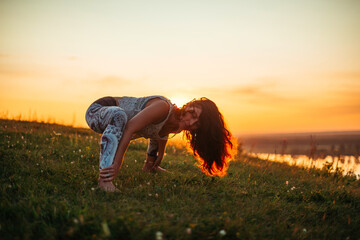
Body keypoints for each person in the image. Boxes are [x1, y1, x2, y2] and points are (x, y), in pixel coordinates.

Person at [85, 95, 234, 192]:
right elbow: (130, 128)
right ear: (188, 106)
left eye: (197, 123)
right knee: (120, 116)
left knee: (121, 119)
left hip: (115, 124)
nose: (192, 122)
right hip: (98, 111)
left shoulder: (176, 124)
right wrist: (117, 164)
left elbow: (159, 133)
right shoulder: (163, 107)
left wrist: (156, 158)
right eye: (193, 114)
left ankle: (149, 167)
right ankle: (104, 180)